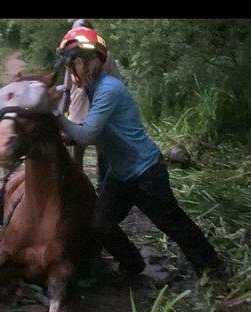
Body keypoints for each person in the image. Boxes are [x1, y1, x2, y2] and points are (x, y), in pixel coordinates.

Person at [54, 26, 222, 278]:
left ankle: (213, 269)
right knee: (101, 223)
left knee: (172, 223)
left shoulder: (108, 89)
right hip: (120, 173)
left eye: (72, 64)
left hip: (145, 172)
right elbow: (94, 130)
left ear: (88, 63)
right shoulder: (93, 88)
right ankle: (132, 262)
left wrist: (56, 115)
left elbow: (87, 134)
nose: (71, 71)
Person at [57, 19, 120, 191]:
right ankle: (78, 188)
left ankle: (104, 189)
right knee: (76, 156)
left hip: (100, 113)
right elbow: (67, 89)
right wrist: (61, 116)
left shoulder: (105, 56)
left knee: (104, 153)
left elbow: (116, 85)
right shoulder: (69, 56)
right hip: (78, 112)